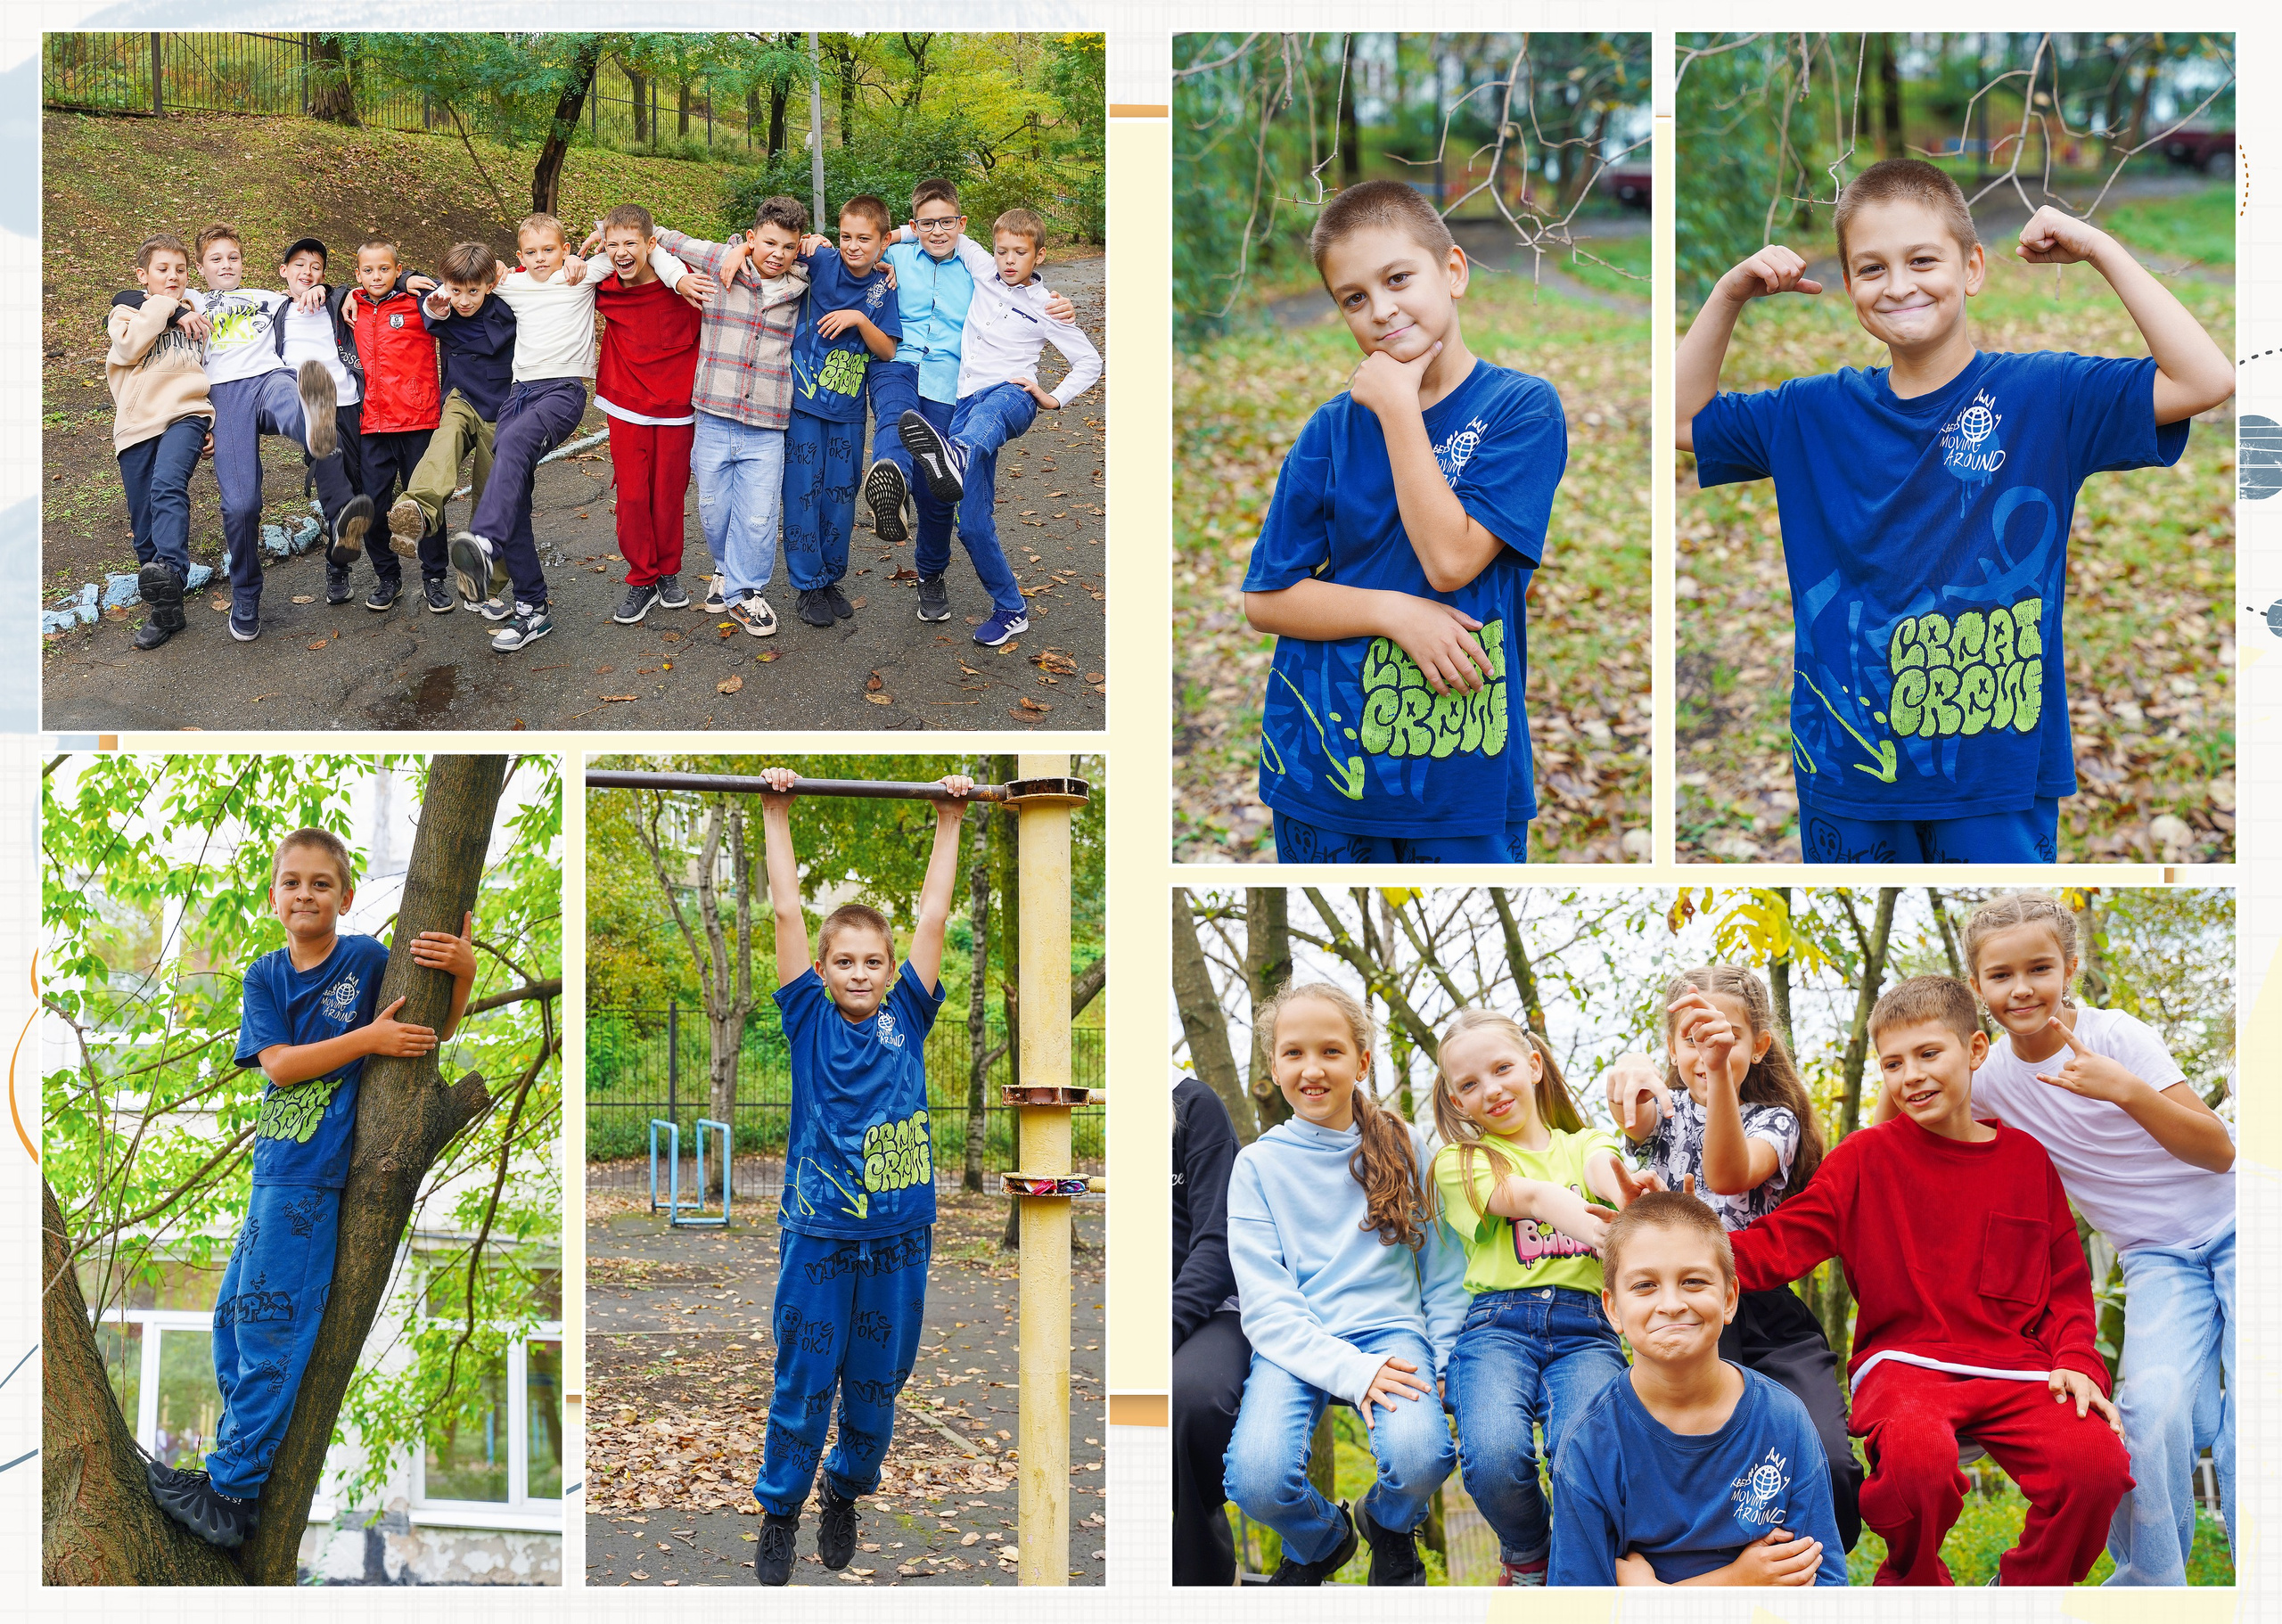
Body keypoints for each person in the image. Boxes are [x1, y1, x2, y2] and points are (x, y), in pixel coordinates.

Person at [1677, 158, 2235, 863]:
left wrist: (2100, 250)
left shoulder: (2044, 395)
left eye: (1922, 260)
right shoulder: (1809, 410)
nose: (1900, 285)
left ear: (1972, 268)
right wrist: (1728, 294)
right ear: (1848, 285)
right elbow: (1678, 419)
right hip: (1850, 769)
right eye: (1872, 269)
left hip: (1995, 773)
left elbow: (2205, 378)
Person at [1728, 974, 2133, 1585]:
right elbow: (1775, 1246)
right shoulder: (1865, 1159)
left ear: (1974, 1051)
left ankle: (2025, 1594)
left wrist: (2077, 1357)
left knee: (2097, 1466)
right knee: (1918, 1462)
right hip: (1906, 1366)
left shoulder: (2025, 1160)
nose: (1910, 1075)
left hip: (2017, 1368)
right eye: (1893, 1063)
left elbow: (2066, 1286)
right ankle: (1915, 1585)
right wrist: (1666, 1239)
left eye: (1927, 1054)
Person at [144, 826, 474, 1546]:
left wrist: (466, 973)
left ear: (346, 896)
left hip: (314, 1182)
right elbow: (280, 1066)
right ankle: (228, 1467)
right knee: (231, 1319)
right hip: (272, 1171)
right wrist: (365, 1042)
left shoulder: (363, 959)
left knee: (269, 1323)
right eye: (291, 882)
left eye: (320, 883)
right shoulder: (264, 975)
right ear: (273, 896)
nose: (305, 893)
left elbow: (425, 1033)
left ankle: (232, 1496)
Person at [1234, 180, 1565, 863]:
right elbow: (1266, 600)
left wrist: (1397, 407)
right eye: (1354, 298)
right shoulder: (1330, 429)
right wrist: (1395, 612)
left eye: (1398, 279)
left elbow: (1453, 560)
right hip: (1326, 774)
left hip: (1460, 774)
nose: (1381, 310)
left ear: (1452, 271)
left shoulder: (1521, 408)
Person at [1940, 892, 2232, 1585]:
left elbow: (2220, 1152)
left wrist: (2126, 1090)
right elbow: (1911, 1128)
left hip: (2238, 1226)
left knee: (2249, 1434)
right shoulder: (1991, 1082)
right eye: (2001, 976)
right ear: (1976, 987)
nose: (2021, 989)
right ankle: (2151, 1586)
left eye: (2039, 969)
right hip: (2157, 1260)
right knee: (2150, 1415)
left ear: (2069, 968)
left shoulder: (2119, 1038)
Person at [749, 768, 973, 1585]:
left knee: (878, 1387)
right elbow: (782, 909)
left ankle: (844, 1490)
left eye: (873, 961)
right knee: (805, 1381)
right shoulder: (806, 1016)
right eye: (844, 960)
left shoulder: (907, 1016)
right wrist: (777, 814)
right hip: (820, 1233)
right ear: (822, 964)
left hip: (900, 1236)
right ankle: (780, 1509)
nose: (860, 973)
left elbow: (934, 915)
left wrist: (949, 818)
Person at [1604, 968, 1861, 1552]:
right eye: (1691, 1040)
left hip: (1763, 1308)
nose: (1707, 1053)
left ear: (1759, 1045)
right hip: (1683, 1312)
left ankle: (1820, 1572)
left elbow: (1727, 1172)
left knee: (1830, 1462)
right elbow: (1632, 1112)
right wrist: (1629, 1065)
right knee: (1710, 1474)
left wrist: (1718, 1073)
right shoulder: (1662, 1115)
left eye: (1725, 1038)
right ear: (1671, 1047)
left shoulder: (1775, 1120)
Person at [1221, 980, 1465, 1587]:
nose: (1312, 1069)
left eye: (1330, 1052)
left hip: (1392, 1333)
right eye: (1293, 1053)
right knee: (1254, 1478)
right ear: (1273, 1064)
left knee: (1420, 1457)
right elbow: (1268, 1305)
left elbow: (1443, 1269)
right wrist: (1353, 1375)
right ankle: (1322, 1539)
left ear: (1361, 1060)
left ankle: (1386, 1522)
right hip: (1298, 1340)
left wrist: (1445, 1355)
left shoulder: (1408, 1145)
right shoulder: (1257, 1166)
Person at [1427, 1007, 1653, 1584]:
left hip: (1585, 1329)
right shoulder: (1462, 1162)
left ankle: (1581, 1570)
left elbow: (1604, 1169)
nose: (1491, 1090)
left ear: (1532, 1066)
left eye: (1502, 1069)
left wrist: (1626, 1195)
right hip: (1497, 1327)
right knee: (1495, 1456)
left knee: (1586, 1453)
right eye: (1470, 1084)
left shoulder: (1582, 1144)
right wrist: (1603, 1231)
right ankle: (1528, 1554)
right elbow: (1526, 1198)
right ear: (1456, 1101)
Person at [1550, 1193, 1846, 1587]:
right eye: (1644, 1285)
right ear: (1613, 1309)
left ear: (1728, 1298)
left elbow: (1825, 1585)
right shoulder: (1591, 1444)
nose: (1671, 1304)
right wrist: (1737, 1582)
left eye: (1693, 1281)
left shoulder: (1783, 1421)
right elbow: (1579, 1609)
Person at [446, 214, 702, 652]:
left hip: (563, 392)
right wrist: (425, 286)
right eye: (531, 252)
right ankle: (532, 608)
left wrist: (607, 236)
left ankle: (486, 539)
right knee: (514, 494)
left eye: (550, 249)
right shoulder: (510, 283)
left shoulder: (580, 276)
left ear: (565, 250)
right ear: (519, 254)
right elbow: (460, 283)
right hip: (518, 394)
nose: (540, 258)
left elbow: (643, 252)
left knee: (508, 445)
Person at [859, 178, 1074, 622]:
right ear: (913, 223)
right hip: (897, 360)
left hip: (951, 381)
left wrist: (1055, 301)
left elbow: (1019, 275)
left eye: (945, 222)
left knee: (939, 490)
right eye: (925, 223)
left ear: (960, 222)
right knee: (894, 419)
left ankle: (931, 575)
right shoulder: (894, 252)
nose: (936, 232)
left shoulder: (980, 265)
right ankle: (891, 486)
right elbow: (851, 250)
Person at [894, 206, 1101, 647]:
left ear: (1038, 256)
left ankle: (955, 454)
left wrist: (1052, 397)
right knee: (970, 523)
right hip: (967, 406)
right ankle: (1012, 609)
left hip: (1012, 397)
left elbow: (1089, 361)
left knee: (990, 414)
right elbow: (934, 231)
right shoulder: (983, 269)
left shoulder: (1048, 306)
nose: (1008, 260)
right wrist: (888, 237)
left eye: (1019, 253)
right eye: (1002, 250)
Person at [185, 223, 372, 644]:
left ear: (244, 262)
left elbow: (321, 291)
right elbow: (132, 301)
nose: (226, 265)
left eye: (233, 257)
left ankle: (315, 428)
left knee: (295, 400)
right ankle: (246, 595)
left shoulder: (267, 299)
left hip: (270, 377)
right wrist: (179, 310)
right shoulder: (191, 298)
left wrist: (320, 291)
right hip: (224, 397)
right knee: (241, 506)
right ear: (200, 267)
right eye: (216, 259)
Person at [655, 199, 814, 637]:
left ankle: (747, 591)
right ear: (751, 238)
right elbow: (661, 236)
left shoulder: (802, 281)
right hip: (713, 415)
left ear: (797, 248)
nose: (777, 253)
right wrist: (600, 237)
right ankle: (725, 571)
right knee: (713, 510)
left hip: (766, 424)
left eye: (787, 246)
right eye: (767, 243)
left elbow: (856, 259)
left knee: (759, 517)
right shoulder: (720, 261)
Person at [779, 196, 905, 627]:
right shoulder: (822, 260)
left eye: (864, 239)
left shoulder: (882, 289)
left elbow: (887, 349)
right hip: (805, 405)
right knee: (803, 493)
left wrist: (857, 319)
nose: (854, 246)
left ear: (884, 242)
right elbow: (770, 246)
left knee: (840, 496)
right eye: (846, 236)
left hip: (849, 410)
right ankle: (807, 584)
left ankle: (831, 577)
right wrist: (805, 242)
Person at [587, 205, 704, 625]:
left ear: (651, 245)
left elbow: (735, 260)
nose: (621, 252)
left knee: (668, 496)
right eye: (612, 244)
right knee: (633, 495)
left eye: (631, 244)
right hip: (625, 404)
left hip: (677, 407)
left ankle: (668, 573)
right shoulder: (604, 286)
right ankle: (641, 577)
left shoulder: (685, 282)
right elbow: (545, 277)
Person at [105, 233, 213, 651]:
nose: (173, 277)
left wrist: (214, 426)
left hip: (186, 415)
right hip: (135, 424)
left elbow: (215, 369)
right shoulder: (125, 314)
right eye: (163, 270)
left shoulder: (198, 314)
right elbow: (129, 346)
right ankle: (165, 609)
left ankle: (172, 569)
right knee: (142, 522)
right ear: (143, 275)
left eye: (180, 270)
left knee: (168, 484)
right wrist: (167, 309)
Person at [398, 242, 518, 614]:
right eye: (456, 291)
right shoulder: (440, 303)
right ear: (445, 284)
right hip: (462, 399)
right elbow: (399, 281)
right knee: (445, 439)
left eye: (473, 292)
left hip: (501, 411)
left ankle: (482, 583)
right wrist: (405, 278)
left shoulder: (509, 307)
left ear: (490, 285)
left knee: (492, 498)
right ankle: (415, 509)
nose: (464, 300)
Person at [1171, 1074, 1246, 1587]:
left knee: (1188, 1399)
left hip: (1211, 1306)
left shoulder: (1192, 1104)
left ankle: (1204, 1581)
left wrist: (1165, 1326)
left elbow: (1218, 1242)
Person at [339, 236, 440, 612]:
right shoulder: (350, 308)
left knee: (425, 504)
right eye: (368, 270)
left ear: (398, 270)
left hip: (417, 419)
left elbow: (448, 292)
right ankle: (388, 577)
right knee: (374, 505)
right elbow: (319, 290)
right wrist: (348, 293)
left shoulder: (417, 302)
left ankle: (435, 577)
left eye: (385, 269)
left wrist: (408, 280)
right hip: (371, 425)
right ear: (357, 274)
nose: (376, 276)